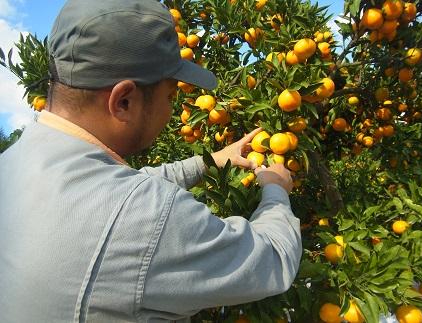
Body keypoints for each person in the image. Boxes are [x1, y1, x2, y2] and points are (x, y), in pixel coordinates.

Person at [0, 0, 302, 322]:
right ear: (124, 101)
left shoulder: (13, 164)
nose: (172, 110)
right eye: (171, 96)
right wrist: (276, 192)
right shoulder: (151, 218)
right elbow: (271, 259)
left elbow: (124, 189)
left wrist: (211, 160)